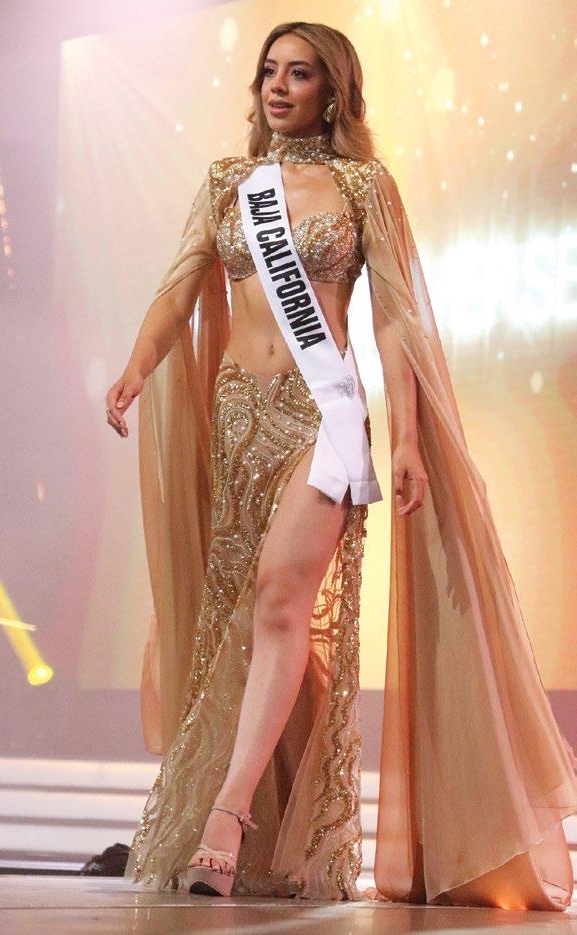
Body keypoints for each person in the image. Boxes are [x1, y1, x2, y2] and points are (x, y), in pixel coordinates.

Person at [105, 22, 577, 908]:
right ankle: (278, 819)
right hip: (238, 419)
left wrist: (405, 438)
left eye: (300, 73)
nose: (278, 87)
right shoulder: (229, 183)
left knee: (282, 602)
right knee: (251, 619)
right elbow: (179, 288)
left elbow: (395, 317)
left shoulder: (365, 186)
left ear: (334, 91)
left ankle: (228, 819)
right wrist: (136, 368)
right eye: (269, 72)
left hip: (321, 416)